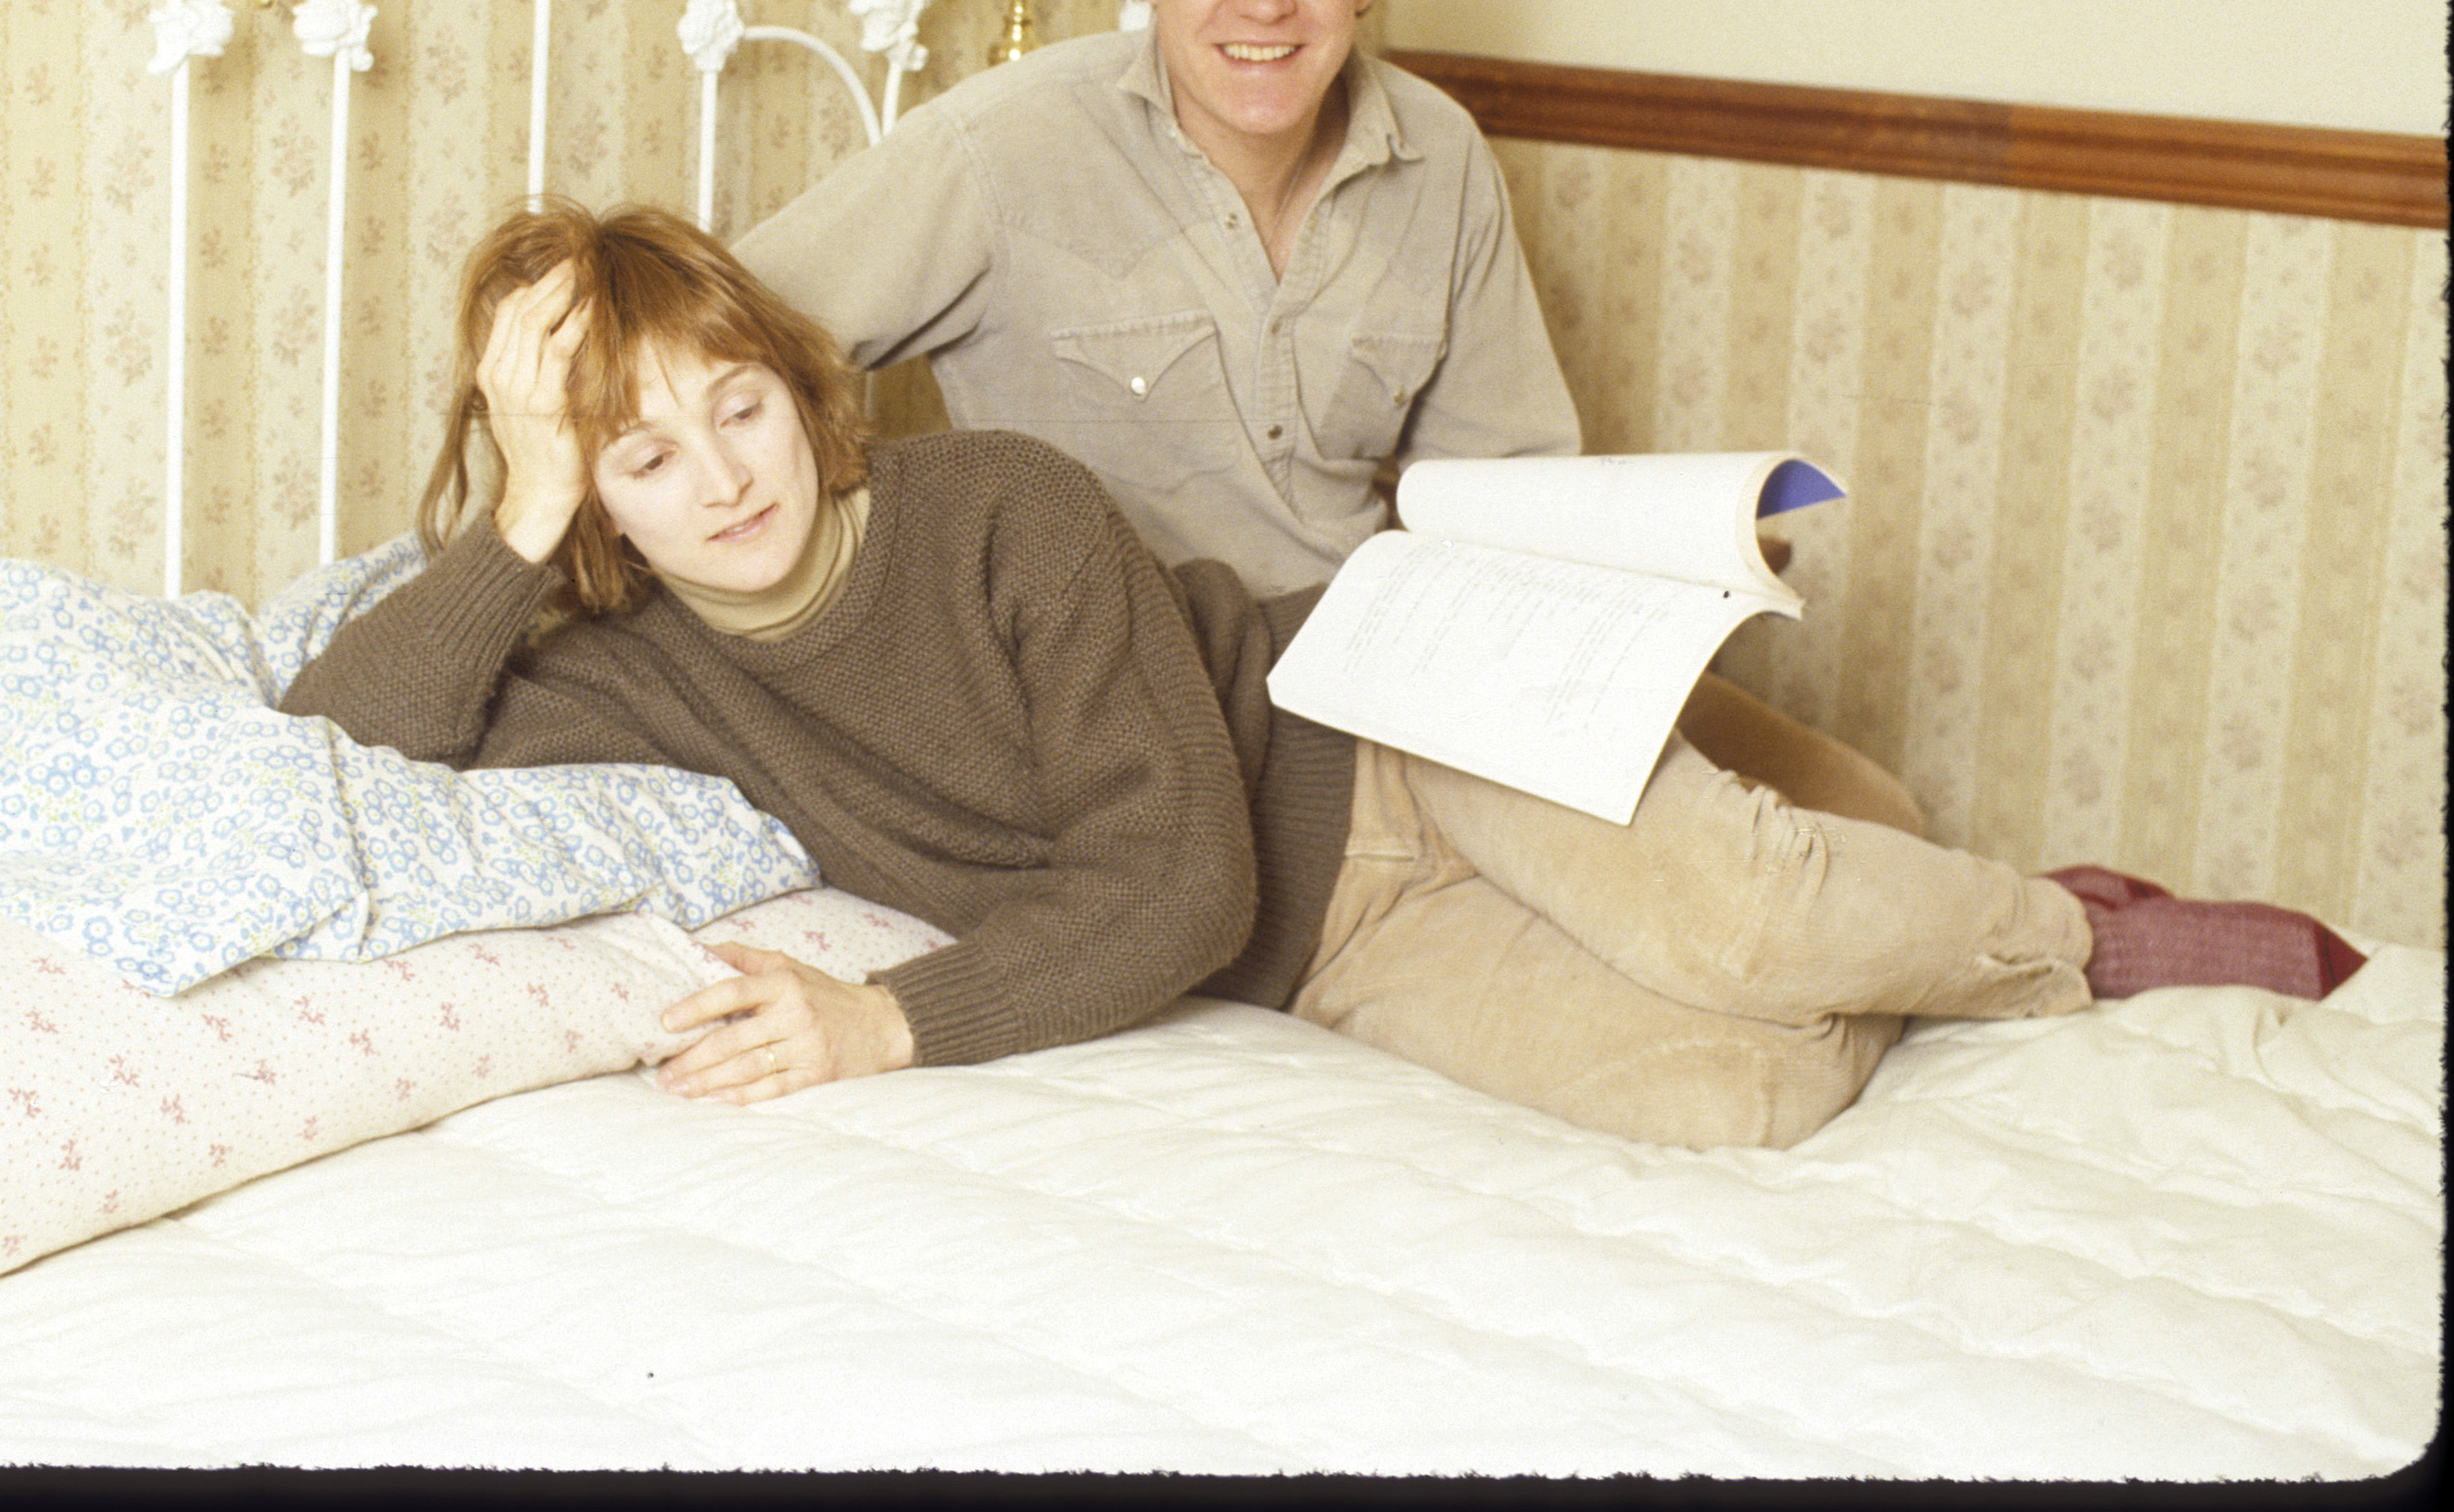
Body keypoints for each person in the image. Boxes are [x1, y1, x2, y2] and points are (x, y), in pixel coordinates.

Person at [278, 202, 2361, 1149]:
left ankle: (2058, 929)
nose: (711, 479)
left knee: (1740, 914)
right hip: (1320, 959)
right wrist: (528, 490)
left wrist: (880, 1026)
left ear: (799, 393)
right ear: (595, 501)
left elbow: (1172, 881)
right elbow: (346, 731)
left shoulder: (994, 503)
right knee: (1733, 1093)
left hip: (1388, 738)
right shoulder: (633, 662)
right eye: (638, 455)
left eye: (730, 409)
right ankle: (1826, 866)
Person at [734, 0, 1908, 832]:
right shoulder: (997, 153)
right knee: (1726, 880)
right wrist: (860, 606)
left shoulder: (1437, 151)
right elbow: (705, 356)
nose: (1263, 0)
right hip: (1188, 721)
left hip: (1419, 663)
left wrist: (1677, 564)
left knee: (1870, 815)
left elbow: (1507, 487)